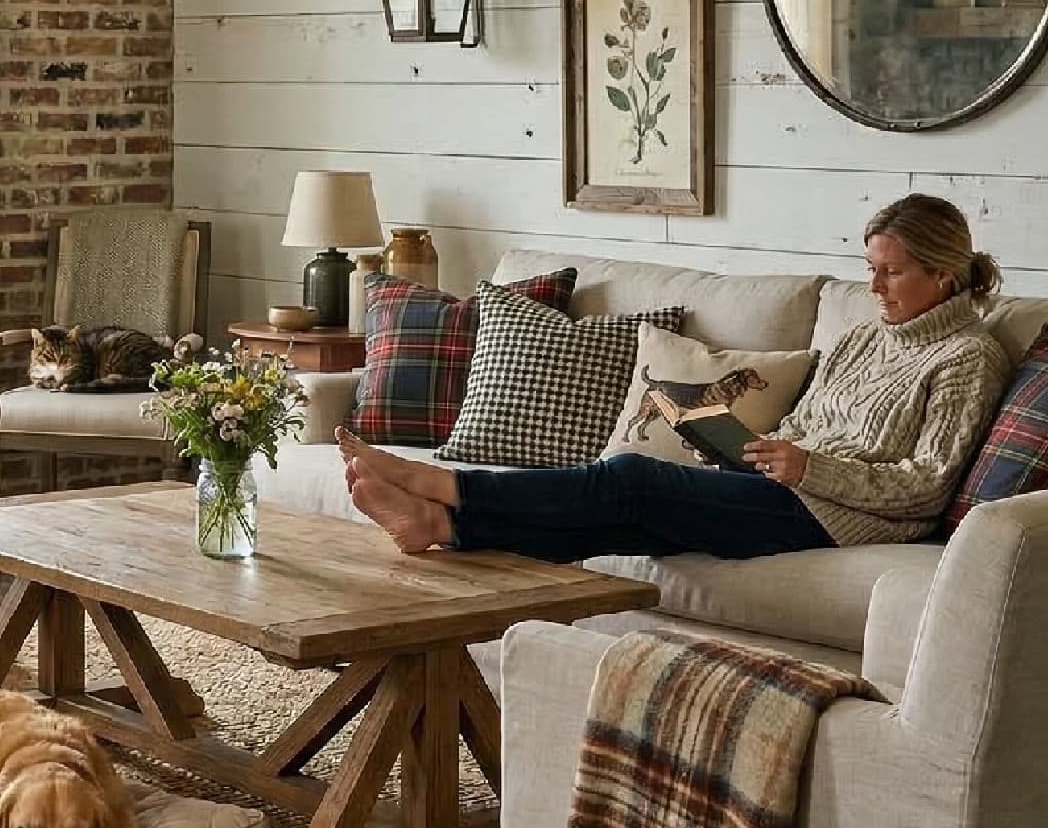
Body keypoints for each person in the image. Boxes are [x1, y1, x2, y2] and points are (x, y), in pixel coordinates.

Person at [341, 194, 1012, 563]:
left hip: (840, 517)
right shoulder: (864, 335)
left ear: (943, 275)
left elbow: (926, 486)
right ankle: (441, 525)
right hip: (786, 487)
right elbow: (801, 427)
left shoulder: (967, 358)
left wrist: (810, 469)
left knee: (631, 479)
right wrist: (748, 453)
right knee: (624, 526)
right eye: (870, 268)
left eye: (891, 272)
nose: (874, 286)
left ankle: (445, 486)